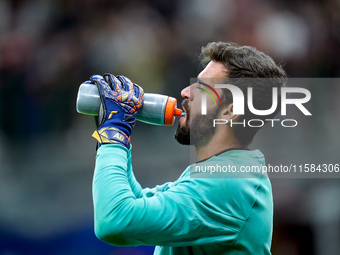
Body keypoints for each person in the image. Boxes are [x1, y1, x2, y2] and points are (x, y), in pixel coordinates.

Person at [88, 42, 287, 254]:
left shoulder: (228, 183)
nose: (185, 92)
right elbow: (138, 201)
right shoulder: (228, 173)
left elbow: (114, 220)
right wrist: (116, 134)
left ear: (230, 111)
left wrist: (114, 133)